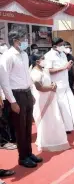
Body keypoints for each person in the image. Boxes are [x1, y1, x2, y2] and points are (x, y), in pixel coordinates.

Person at [0, 30, 42, 168]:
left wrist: (31, 93)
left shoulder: (24, 54)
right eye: (23, 39)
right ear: (15, 40)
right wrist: (12, 101)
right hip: (16, 95)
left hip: (26, 93)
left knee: (28, 125)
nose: (26, 41)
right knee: (20, 128)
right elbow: (4, 81)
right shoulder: (7, 56)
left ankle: (29, 153)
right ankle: (22, 157)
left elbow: (27, 75)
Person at [30, 53, 70, 152]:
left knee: (53, 119)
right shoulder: (35, 72)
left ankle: (53, 139)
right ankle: (44, 142)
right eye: (42, 58)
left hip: (50, 98)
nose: (44, 60)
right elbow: (39, 87)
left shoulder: (44, 70)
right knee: (44, 121)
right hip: (41, 100)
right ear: (37, 62)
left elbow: (47, 82)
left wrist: (53, 84)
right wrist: (52, 87)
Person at [44, 37, 74, 134]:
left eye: (63, 45)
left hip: (65, 84)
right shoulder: (48, 56)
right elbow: (49, 70)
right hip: (57, 86)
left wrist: (68, 67)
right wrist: (63, 68)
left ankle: (67, 127)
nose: (62, 47)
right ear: (54, 46)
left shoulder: (63, 55)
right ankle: (60, 128)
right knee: (60, 108)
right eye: (61, 45)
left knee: (69, 107)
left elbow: (66, 68)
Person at [0, 40, 16, 150]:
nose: (4, 46)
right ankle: (3, 141)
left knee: (8, 117)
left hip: (8, 92)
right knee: (2, 119)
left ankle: (10, 137)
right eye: (1, 45)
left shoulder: (6, 58)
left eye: (4, 44)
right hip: (2, 93)